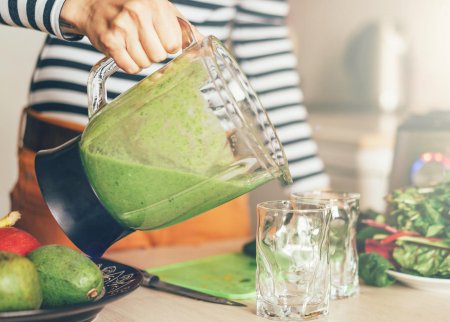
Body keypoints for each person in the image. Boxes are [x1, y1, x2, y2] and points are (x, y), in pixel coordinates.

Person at [0, 0, 329, 251]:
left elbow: (263, 37)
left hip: (203, 183)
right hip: (79, 179)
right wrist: (82, 7)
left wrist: (315, 195)